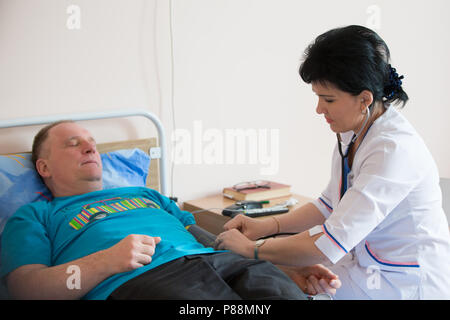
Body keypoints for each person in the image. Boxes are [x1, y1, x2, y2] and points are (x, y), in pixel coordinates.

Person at [216, 25, 450, 299]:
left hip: (404, 282)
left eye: (328, 99)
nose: (319, 109)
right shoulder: (353, 131)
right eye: (318, 97)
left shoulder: (393, 150)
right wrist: (268, 226)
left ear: (364, 99)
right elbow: (328, 204)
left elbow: (329, 241)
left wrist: (253, 249)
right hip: (362, 264)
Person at [0, 120, 338, 300]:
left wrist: (283, 270)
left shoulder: (147, 194)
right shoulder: (34, 216)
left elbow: (210, 239)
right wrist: (105, 262)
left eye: (91, 142)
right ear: (43, 167)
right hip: (145, 280)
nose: (90, 146)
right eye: (73, 144)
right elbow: (26, 289)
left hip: (220, 262)